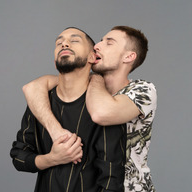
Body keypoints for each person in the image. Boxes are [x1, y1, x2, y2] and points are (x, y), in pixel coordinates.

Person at [23, 26, 157, 192]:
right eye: (100, 40)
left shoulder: (143, 89)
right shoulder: (86, 91)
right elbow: (32, 88)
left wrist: (96, 78)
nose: (98, 46)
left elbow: (101, 113)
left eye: (109, 43)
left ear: (129, 56)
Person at [10, 27, 126, 191]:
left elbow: (111, 181)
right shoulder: (40, 102)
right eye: (59, 43)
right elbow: (19, 157)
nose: (64, 44)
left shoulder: (104, 108)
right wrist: (52, 159)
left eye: (74, 40)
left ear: (92, 57)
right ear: (55, 61)